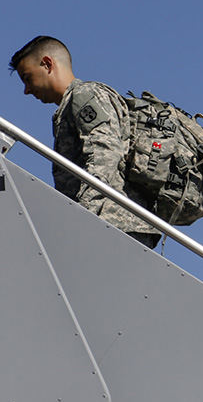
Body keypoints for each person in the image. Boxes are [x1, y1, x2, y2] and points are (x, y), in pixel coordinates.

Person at [9, 36, 160, 247]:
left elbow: (104, 153)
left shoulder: (85, 95)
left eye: (27, 78)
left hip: (113, 225)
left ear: (47, 64)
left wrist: (83, 215)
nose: (26, 90)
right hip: (109, 225)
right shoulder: (69, 106)